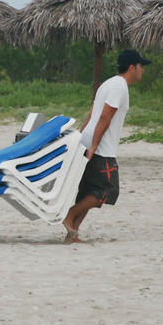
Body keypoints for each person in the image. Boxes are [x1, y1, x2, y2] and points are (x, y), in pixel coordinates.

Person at [62, 49, 151, 243]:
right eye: (140, 66)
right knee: (109, 190)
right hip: (101, 146)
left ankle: (72, 233)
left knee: (88, 190)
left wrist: (82, 136)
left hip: (89, 141)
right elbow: (104, 117)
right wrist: (94, 145)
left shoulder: (108, 83)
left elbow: (92, 112)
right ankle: (70, 215)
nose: (142, 70)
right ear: (131, 67)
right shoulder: (119, 87)